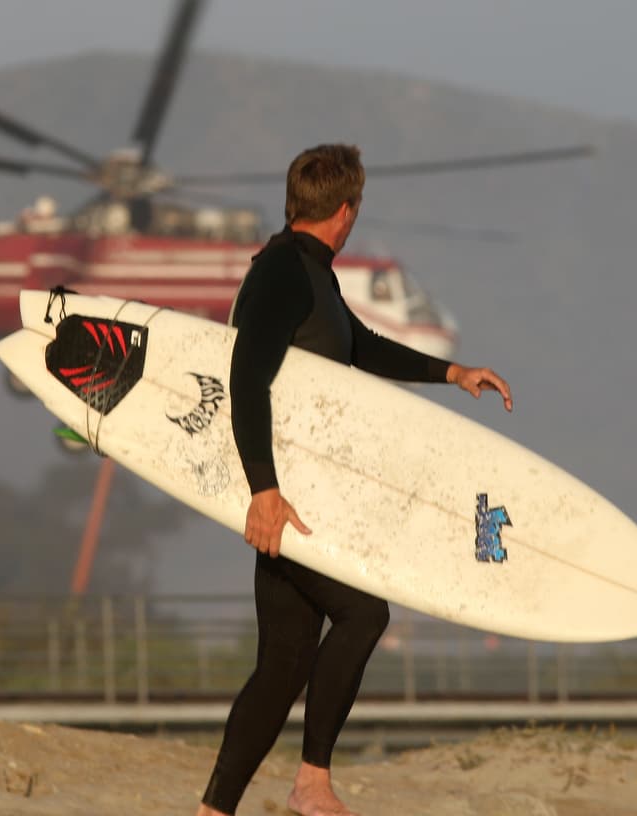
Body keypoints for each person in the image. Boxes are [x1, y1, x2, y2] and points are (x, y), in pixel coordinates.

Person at [197, 144, 513, 816]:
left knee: (282, 667)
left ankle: (213, 811)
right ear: (346, 212)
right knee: (365, 612)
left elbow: (359, 346)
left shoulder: (311, 276)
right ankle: (312, 782)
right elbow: (245, 376)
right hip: (283, 497)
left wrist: (451, 374)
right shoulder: (282, 272)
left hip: (298, 497)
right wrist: (262, 489)